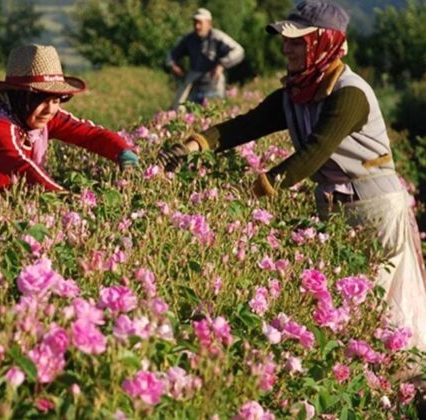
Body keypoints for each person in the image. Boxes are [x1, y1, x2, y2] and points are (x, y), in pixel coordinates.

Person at [158, 0, 426, 353]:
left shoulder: (350, 93)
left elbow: (315, 152)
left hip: (374, 209)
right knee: (345, 307)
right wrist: (193, 146)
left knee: (378, 306)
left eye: (297, 41)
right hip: (337, 208)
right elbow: (248, 124)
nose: (287, 48)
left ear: (324, 43)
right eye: (286, 41)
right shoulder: (298, 91)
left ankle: (407, 384)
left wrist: (251, 193)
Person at [0, 44, 138, 215]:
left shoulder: (37, 116)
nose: (51, 108)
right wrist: (69, 200)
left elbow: (90, 134)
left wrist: (122, 152)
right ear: (18, 96)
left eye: (58, 99)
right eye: (41, 98)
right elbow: (22, 168)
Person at [166, 8, 244, 108]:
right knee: (182, 110)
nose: (197, 26)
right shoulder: (189, 39)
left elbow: (239, 51)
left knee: (213, 114)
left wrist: (221, 64)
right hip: (194, 86)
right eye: (195, 23)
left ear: (209, 24)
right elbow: (171, 54)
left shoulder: (218, 37)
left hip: (214, 86)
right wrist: (172, 65)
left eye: (200, 23)